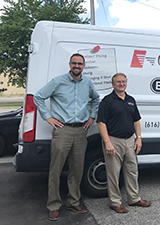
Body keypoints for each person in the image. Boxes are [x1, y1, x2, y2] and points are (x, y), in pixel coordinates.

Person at [34, 53, 100, 221]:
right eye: (74, 63)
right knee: (56, 169)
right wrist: (48, 118)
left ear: (84, 66)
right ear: (69, 64)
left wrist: (92, 117)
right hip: (62, 130)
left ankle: (73, 201)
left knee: (77, 169)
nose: (77, 66)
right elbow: (38, 97)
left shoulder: (88, 83)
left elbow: (96, 99)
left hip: (80, 131)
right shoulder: (58, 81)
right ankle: (54, 205)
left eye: (80, 64)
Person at [97, 73, 151, 213]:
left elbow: (136, 120)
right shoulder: (107, 101)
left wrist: (138, 137)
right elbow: (101, 123)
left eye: (123, 81)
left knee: (132, 171)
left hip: (130, 141)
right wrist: (107, 142)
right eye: (118, 82)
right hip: (114, 140)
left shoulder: (130, 100)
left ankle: (134, 198)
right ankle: (115, 202)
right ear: (113, 84)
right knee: (113, 173)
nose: (121, 84)